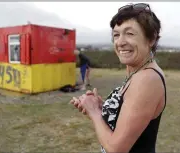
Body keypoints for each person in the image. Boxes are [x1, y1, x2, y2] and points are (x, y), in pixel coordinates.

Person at [70, 3, 166, 153]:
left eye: (130, 33)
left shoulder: (147, 79)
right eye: (116, 34)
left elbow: (116, 149)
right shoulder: (138, 72)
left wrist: (94, 112)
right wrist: (103, 109)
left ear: (151, 39)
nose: (120, 42)